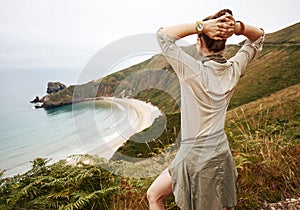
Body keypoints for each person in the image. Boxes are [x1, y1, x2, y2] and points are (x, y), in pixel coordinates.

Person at [146, 9, 264, 210]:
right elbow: (258, 37)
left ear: (200, 42)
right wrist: (235, 28)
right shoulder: (234, 69)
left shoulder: (193, 72)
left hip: (195, 155)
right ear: (223, 43)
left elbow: (163, 36)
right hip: (220, 150)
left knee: (155, 196)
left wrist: (201, 26)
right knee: (155, 193)